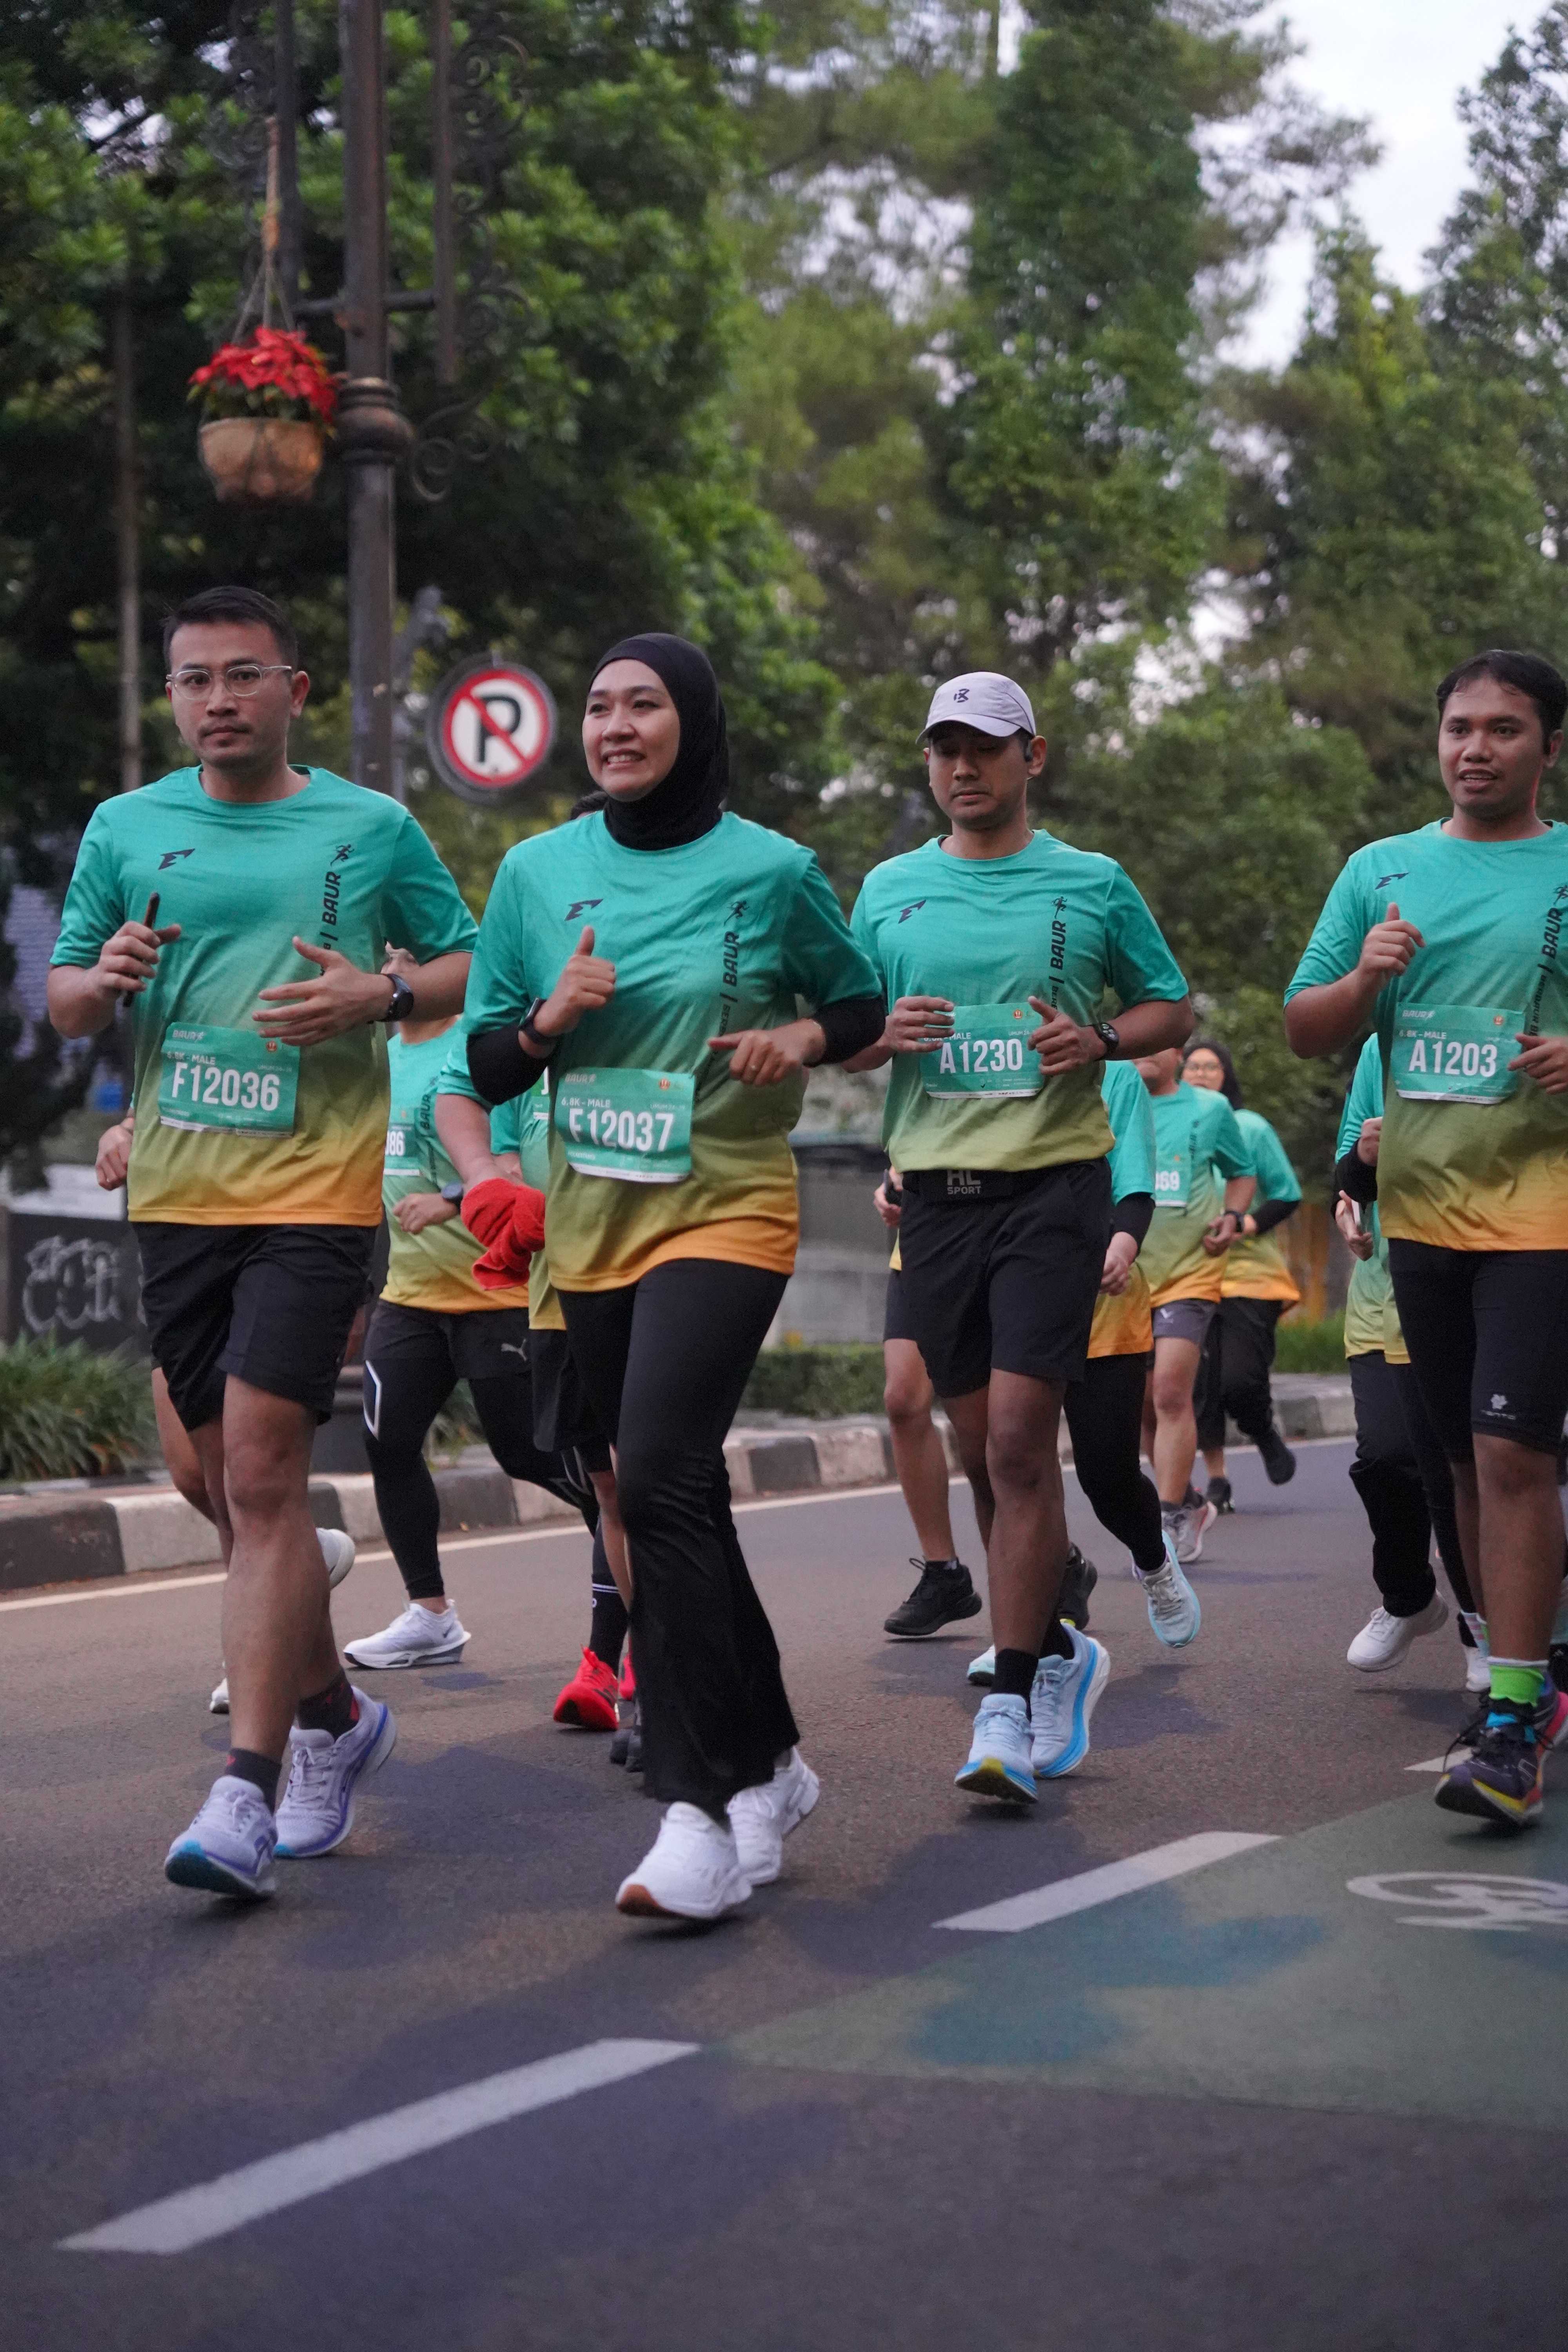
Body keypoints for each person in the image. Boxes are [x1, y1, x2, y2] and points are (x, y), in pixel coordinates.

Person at [48, 584, 477, 1900]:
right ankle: (337, 1716)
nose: (218, 699)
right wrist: (103, 980)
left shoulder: (369, 825)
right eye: (195, 679)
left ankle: (249, 1785)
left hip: (316, 1188)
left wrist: (380, 992)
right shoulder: (127, 828)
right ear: (172, 698)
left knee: (262, 1465)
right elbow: (65, 1002)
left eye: (243, 675)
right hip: (180, 1192)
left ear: (295, 690)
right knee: (216, 1479)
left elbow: (469, 965)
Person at [458, 632, 884, 1920]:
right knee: (672, 1494)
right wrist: (547, 1021)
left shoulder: (774, 870)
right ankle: (773, 1764)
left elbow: (860, 1008)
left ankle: (696, 1804)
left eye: (644, 705)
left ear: (692, 723)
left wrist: (799, 1035)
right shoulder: (536, 874)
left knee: (654, 1478)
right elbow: (484, 1062)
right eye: (599, 707)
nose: (616, 726)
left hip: (727, 1206)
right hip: (594, 1221)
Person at [848, 670, 1192, 1805]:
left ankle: (1007, 1698)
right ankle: (1053, 1652)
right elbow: (841, 1030)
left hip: (1053, 1190)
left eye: (985, 747)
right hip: (937, 1202)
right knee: (980, 1449)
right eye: (944, 748)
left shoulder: (1090, 883)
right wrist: (876, 1033)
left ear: (1030, 757)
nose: (962, 767)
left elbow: (1169, 1007)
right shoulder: (890, 889)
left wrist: (1098, 1040)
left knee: (1014, 1441)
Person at [1286, 646, 1568, 1828]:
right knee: (1461, 1463)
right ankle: (1522, 1670)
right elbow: (1304, 1028)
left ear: (1547, 745)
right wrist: (1363, 978)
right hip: (1422, 1220)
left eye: (1503, 728)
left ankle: (1511, 1714)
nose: (1475, 748)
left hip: (1544, 1216)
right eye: (1459, 727)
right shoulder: (1379, 871)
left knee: (1511, 1456)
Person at [339, 1010, 628, 1727]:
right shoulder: (377, 1054)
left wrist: (452, 1201)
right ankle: (430, 1613)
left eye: (413, 952)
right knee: (387, 1440)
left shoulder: (486, 1043)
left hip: (495, 1293)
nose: (395, 958)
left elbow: (512, 1165)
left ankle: (631, 1550)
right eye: (390, 952)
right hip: (409, 1295)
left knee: (534, 1456)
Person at [94, 1111, 358, 1711]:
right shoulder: (167, 1047)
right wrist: (120, 1135)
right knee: (198, 1477)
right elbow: (154, 1101)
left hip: (279, 1236)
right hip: (184, 1245)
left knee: (249, 1484)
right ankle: (298, 1560)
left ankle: (263, 1667)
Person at [966, 1053, 1203, 1684]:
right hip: (1014, 1301)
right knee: (1011, 1464)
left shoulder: (1115, 1075)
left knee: (1107, 1478)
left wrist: (1121, 1246)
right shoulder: (996, 1060)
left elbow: (1135, 1186)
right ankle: (1025, 1637)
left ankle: (1155, 1561)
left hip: (1100, 1306)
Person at [874, 1172, 1097, 1640]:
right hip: (925, 1237)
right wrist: (890, 1179)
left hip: (1004, 1229)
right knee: (901, 1399)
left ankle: (1057, 1567)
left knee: (1010, 1432)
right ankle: (944, 1572)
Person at [1332, 1039, 1485, 1688]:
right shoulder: (1383, 1044)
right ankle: (1409, 1596)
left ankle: (1485, 1631)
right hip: (1386, 1285)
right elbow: (1349, 1167)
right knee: (1386, 1454)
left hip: (1492, 1275)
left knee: (1466, 1469)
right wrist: (1351, 1203)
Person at [1135, 1047, 1256, 1561]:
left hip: (1190, 1270)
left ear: (1177, 1053)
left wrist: (1232, 1216)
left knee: (1169, 1391)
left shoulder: (1210, 1109)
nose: (1141, 1049)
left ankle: (1167, 1520)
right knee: (1141, 1407)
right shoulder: (1108, 1100)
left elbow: (1242, 1171)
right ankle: (1188, 1499)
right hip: (1125, 1276)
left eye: (1154, 1038)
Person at [1183, 1040, 1300, 1503]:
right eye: (1193, 1066)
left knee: (1239, 1380)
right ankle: (1217, 1479)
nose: (1200, 1073)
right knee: (1199, 1387)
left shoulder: (1249, 1127)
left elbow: (1286, 1193)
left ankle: (1262, 1430)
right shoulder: (1168, 1125)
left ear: (1226, 1076)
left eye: (1211, 1067)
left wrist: (1243, 1224)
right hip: (1185, 1273)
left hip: (1249, 1276)